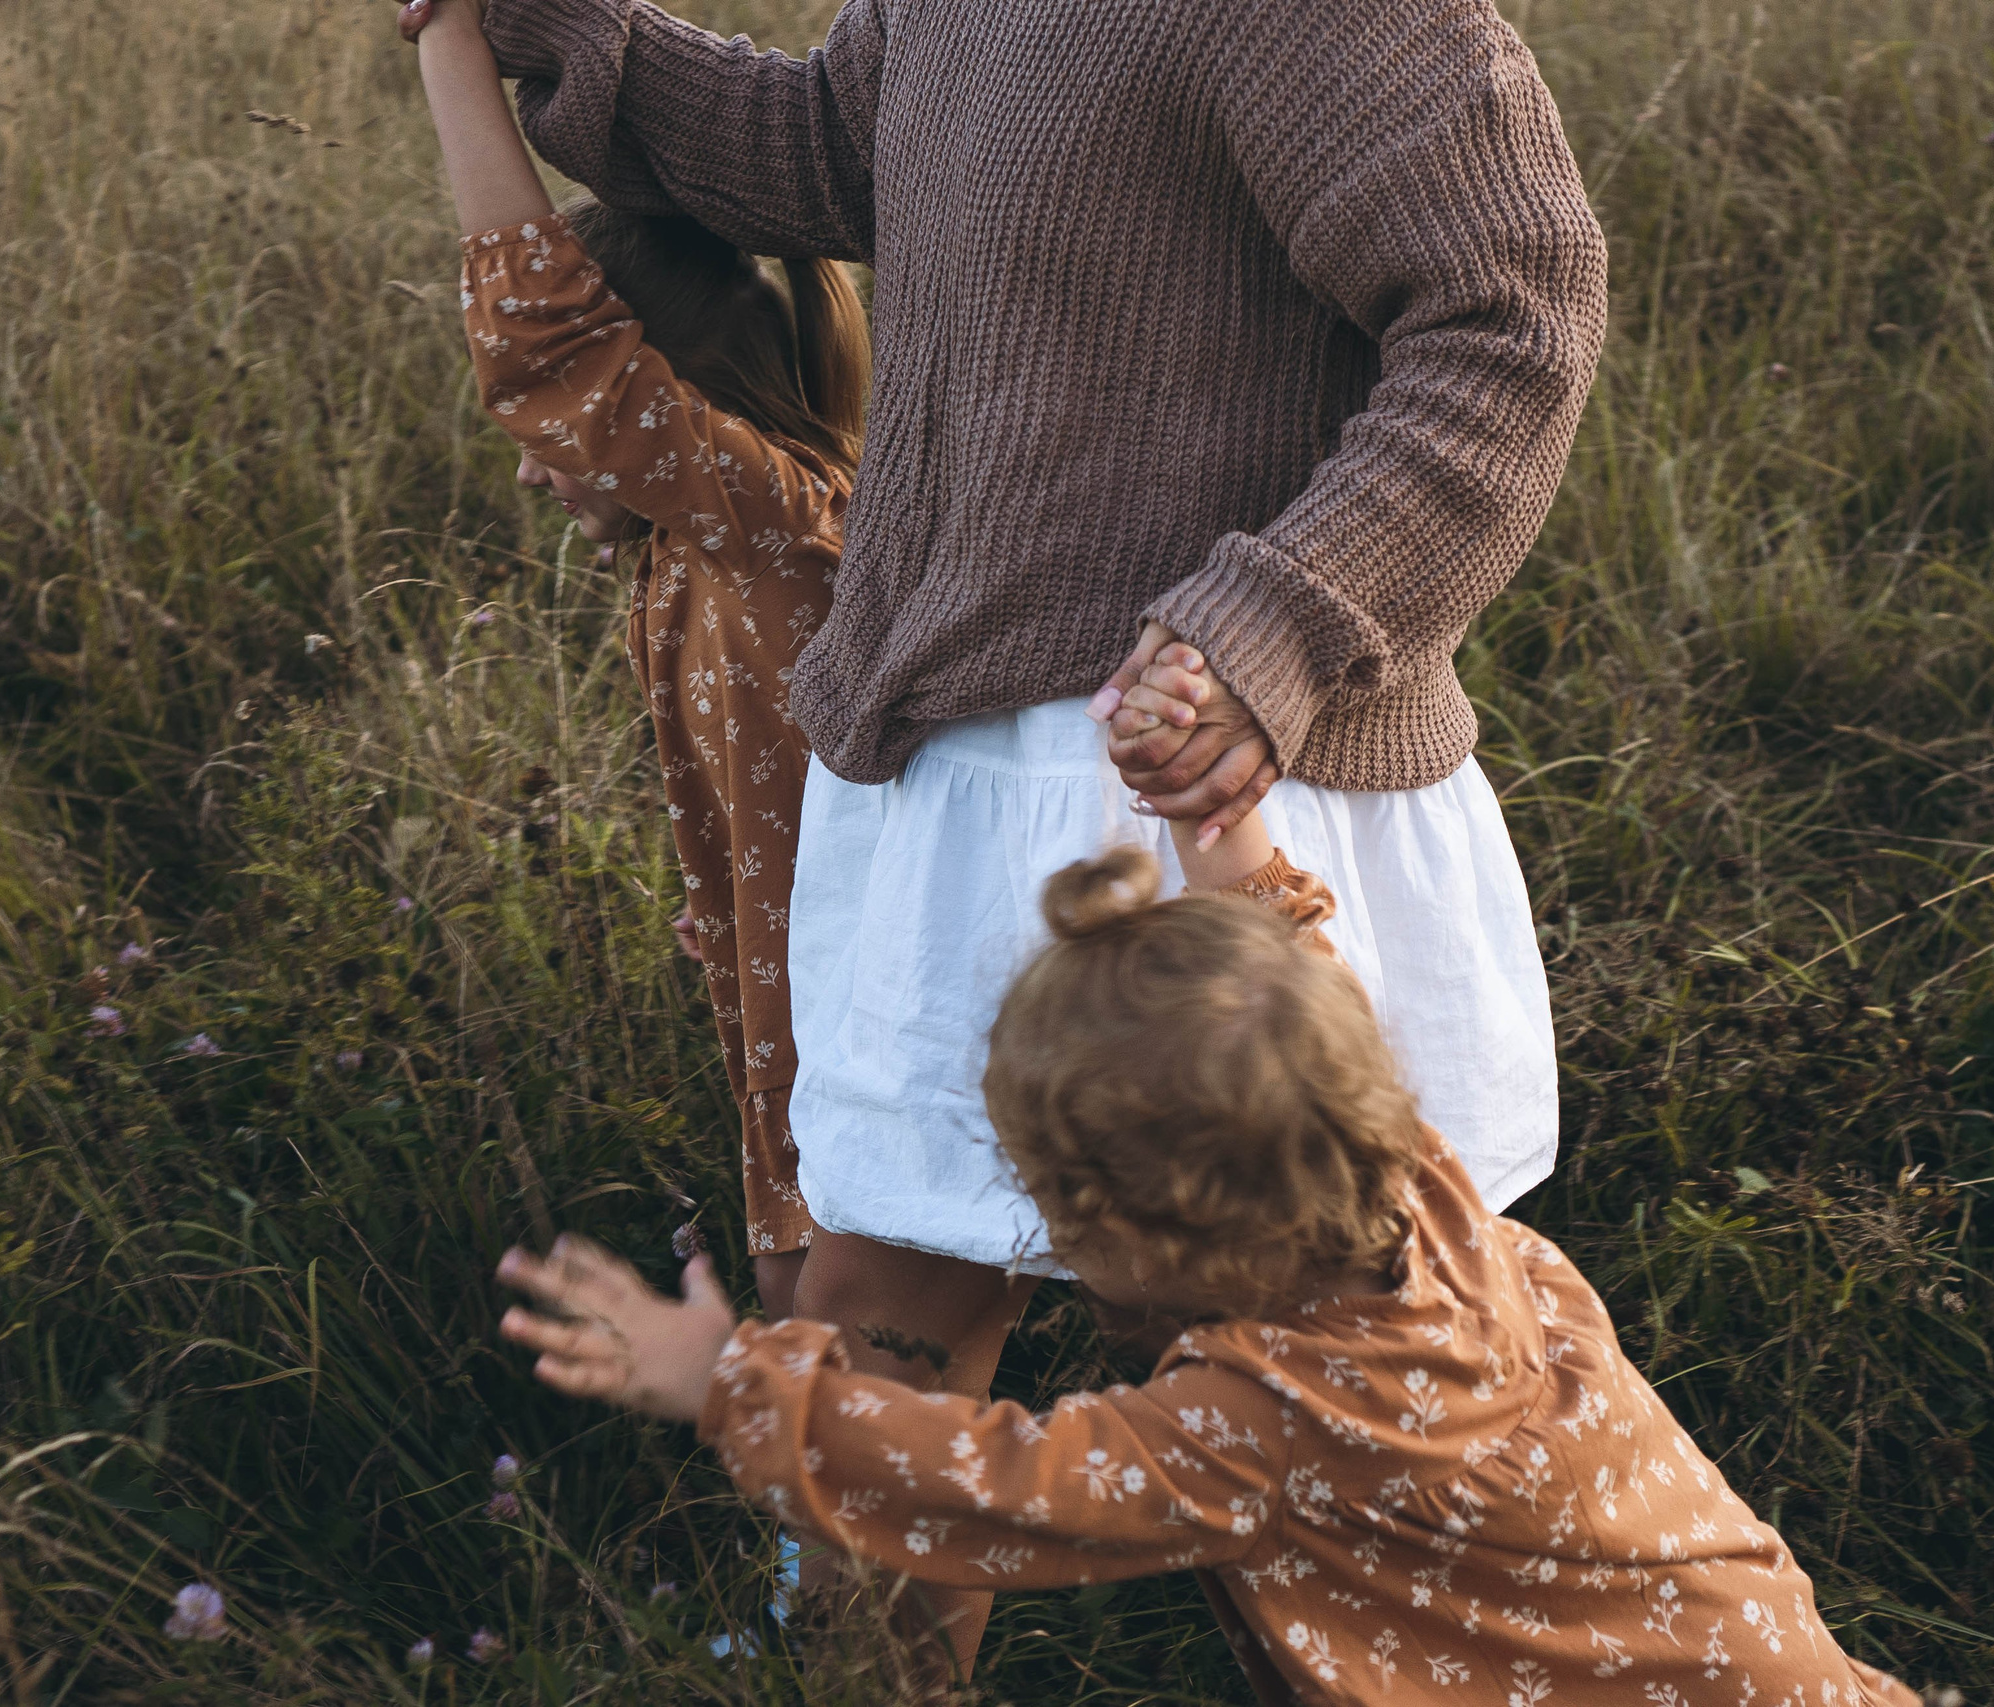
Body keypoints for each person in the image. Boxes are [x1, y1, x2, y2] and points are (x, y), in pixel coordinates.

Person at [446, 0, 1611, 1671]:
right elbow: (816, 148)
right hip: (959, 763)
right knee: (874, 1322)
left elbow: (1513, 315)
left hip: (1211, 775)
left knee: (1325, 1390)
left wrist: (1273, 628)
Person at [494, 792, 1924, 1707]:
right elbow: (1303, 975)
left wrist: (730, 1383)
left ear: (1128, 1234)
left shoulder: (1267, 1419)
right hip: (1754, 1656)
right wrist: (1224, 836)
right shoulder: (1415, 1187)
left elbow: (1009, 1486)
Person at [408, 0, 868, 1316]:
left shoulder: (770, 524)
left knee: (828, 1367)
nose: (531, 467)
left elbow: (544, 339)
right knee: (818, 1352)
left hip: (863, 1039)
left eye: (558, 436)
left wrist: (448, 43)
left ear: (664, 397)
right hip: (800, 1030)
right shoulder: (693, 545)